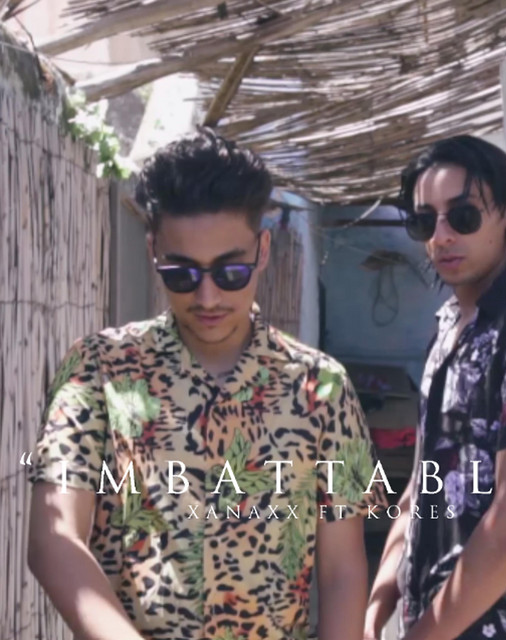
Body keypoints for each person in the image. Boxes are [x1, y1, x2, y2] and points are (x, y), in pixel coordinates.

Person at [28, 127, 382, 640]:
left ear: (263, 250)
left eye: (230, 271)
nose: (208, 297)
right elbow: (54, 540)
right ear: (153, 250)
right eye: (182, 273)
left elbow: (342, 570)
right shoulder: (98, 371)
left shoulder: (321, 388)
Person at [365, 135, 506, 640]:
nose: (441, 236)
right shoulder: (450, 323)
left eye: (463, 216)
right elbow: (426, 478)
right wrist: (382, 593)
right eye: (424, 222)